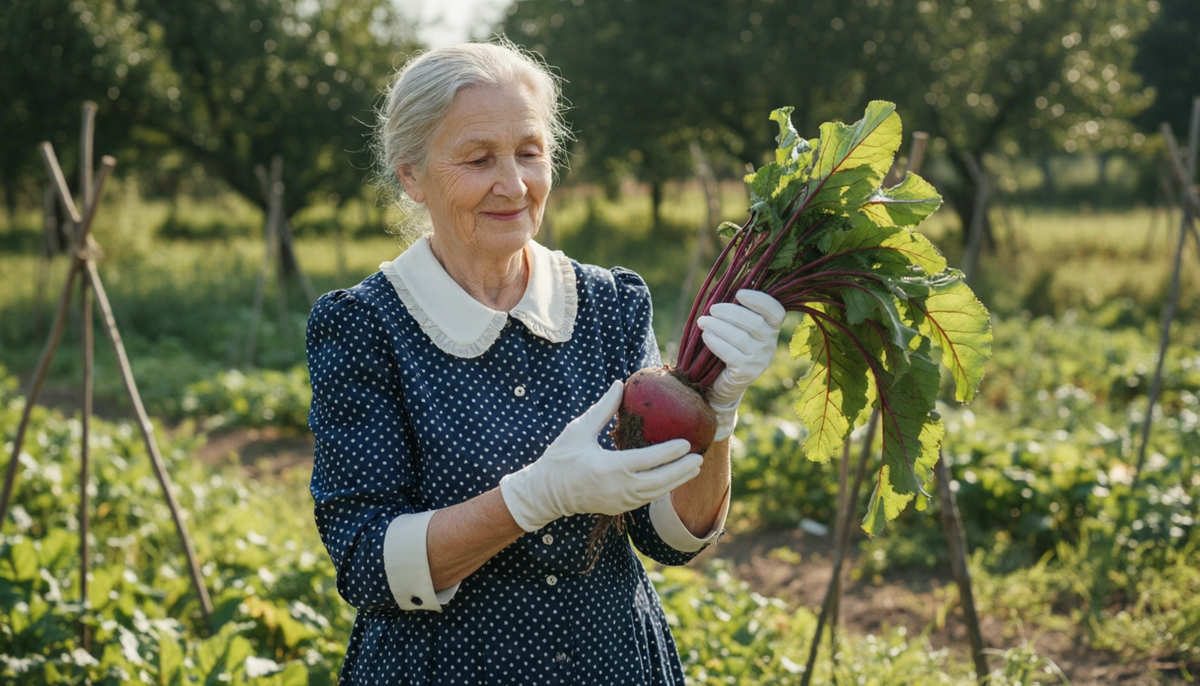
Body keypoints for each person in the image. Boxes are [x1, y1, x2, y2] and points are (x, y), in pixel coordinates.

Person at [306, 40, 785, 685]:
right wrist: (535, 498)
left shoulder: (609, 305)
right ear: (412, 177)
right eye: (479, 159)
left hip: (613, 662)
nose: (514, 184)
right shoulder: (367, 327)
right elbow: (366, 563)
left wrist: (718, 412)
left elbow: (671, 538)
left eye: (530, 152)